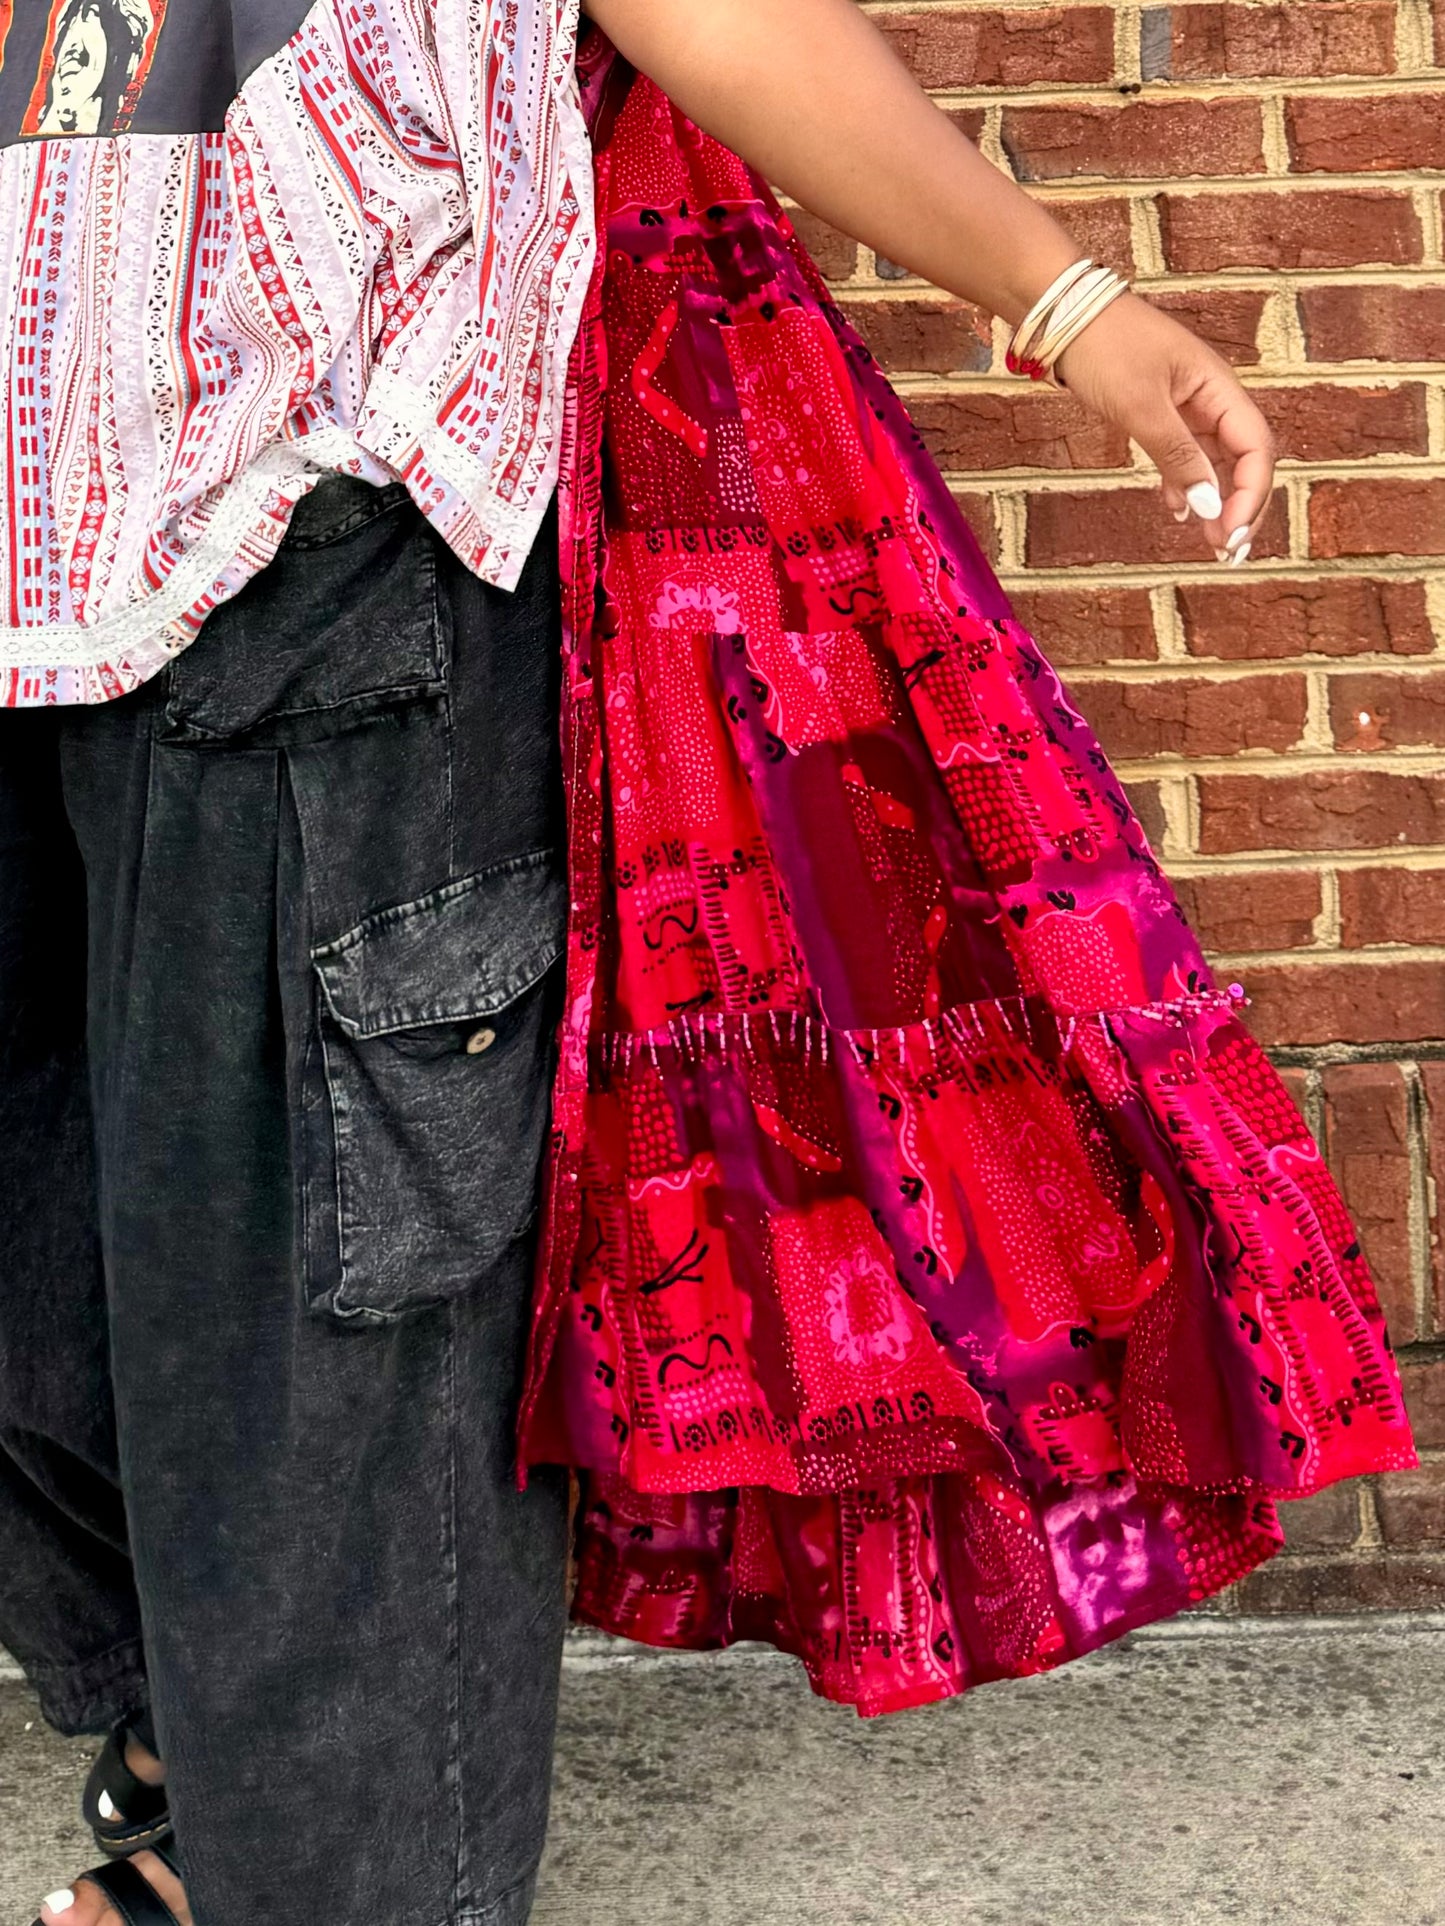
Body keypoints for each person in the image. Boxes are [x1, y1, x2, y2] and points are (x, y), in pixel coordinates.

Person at [0, 4, 1412, 1926]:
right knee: (55, 1249)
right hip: (38, 497)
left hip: (298, 523)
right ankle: (192, 1714)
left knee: (312, 1306)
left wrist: (1060, 293)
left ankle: (336, 1876)